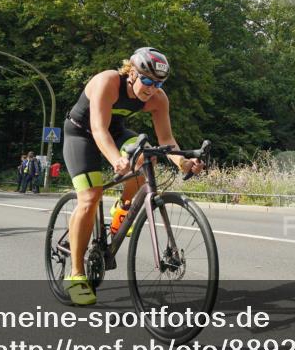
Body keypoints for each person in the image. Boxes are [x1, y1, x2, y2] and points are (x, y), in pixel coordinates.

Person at [62, 47, 203, 306]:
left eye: (158, 82)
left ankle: (122, 209)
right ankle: (76, 275)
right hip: (81, 134)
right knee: (90, 197)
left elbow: (166, 140)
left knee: (145, 155)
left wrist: (182, 162)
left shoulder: (158, 99)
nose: (151, 87)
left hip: (115, 132)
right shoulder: (107, 81)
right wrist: (117, 160)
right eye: (147, 80)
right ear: (131, 73)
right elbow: (97, 128)